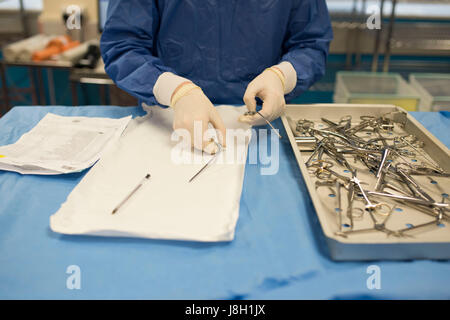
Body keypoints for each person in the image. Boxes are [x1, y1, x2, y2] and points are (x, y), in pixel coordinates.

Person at [101, 0, 333, 151]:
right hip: (169, 120)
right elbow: (123, 45)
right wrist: (175, 90)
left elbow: (310, 43)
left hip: (262, 126)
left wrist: (282, 76)